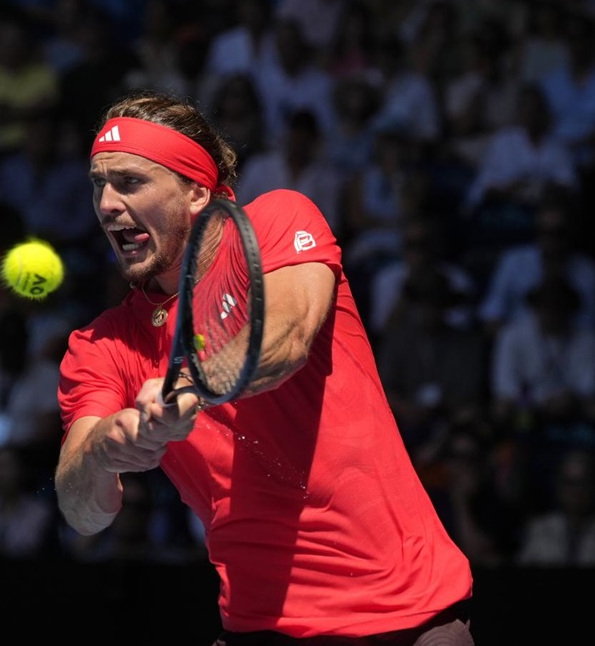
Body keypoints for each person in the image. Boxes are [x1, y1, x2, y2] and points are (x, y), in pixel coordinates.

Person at [55, 91, 474, 644]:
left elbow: (285, 338)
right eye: (98, 185)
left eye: (130, 183)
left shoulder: (278, 221)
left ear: (197, 191)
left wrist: (187, 390)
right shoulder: (101, 344)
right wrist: (108, 447)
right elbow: (82, 511)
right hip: (258, 626)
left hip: (407, 613)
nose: (107, 203)